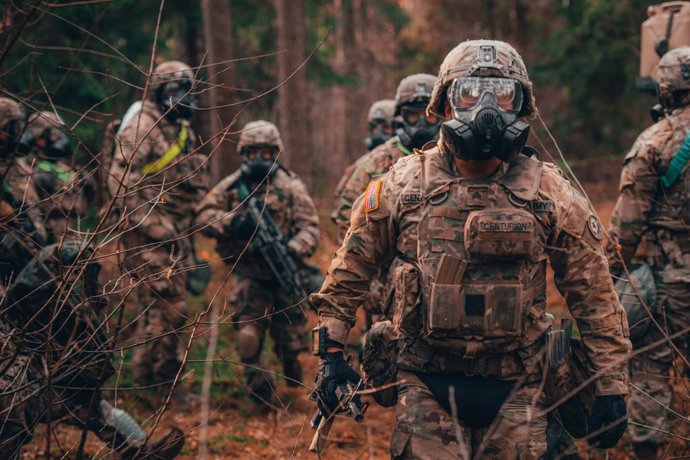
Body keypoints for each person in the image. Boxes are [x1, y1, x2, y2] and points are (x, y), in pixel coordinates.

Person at [311, 39, 631, 459]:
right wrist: (331, 355)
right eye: (468, 93)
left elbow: (594, 291)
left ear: (522, 106)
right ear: (445, 105)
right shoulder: (402, 185)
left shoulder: (549, 191)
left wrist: (609, 384)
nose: (487, 109)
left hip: (521, 385)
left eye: (503, 95)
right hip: (426, 383)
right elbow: (348, 272)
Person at [0, 97, 184, 459]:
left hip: (36, 281)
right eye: (9, 127)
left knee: (75, 373)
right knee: (17, 387)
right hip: (7, 290)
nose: (15, 134)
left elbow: (36, 222)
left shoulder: (20, 167)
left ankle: (135, 449)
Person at [195, 120, 320, 405]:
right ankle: (262, 396)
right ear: (244, 153)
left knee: (290, 341)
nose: (261, 160)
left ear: (275, 153)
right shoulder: (230, 187)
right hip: (249, 275)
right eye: (254, 153)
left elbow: (311, 227)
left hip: (285, 274)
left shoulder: (291, 187)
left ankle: (291, 367)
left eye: (267, 154)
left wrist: (293, 248)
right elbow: (202, 216)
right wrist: (231, 223)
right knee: (248, 338)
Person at [107, 60, 209, 396]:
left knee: (165, 309)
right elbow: (120, 180)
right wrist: (152, 223)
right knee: (168, 305)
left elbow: (192, 182)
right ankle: (157, 383)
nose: (187, 100)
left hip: (174, 233)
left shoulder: (178, 129)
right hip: (146, 234)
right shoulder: (143, 126)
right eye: (181, 92)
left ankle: (156, 382)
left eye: (189, 92)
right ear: (163, 91)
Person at [608, 46, 690, 458]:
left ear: (666, 90)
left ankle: (648, 450)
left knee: (653, 366)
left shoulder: (653, 143)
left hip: (668, 283)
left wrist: (605, 275)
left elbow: (625, 228)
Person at [22, 110, 93, 243]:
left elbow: (85, 200)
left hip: (74, 233)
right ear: (39, 138)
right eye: (54, 133)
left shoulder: (67, 167)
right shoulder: (27, 167)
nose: (59, 137)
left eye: (60, 132)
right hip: (47, 238)